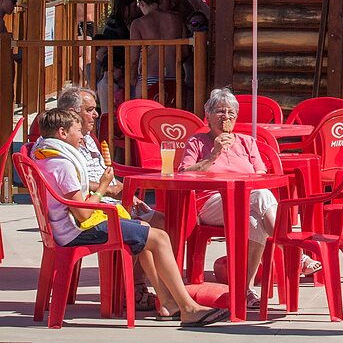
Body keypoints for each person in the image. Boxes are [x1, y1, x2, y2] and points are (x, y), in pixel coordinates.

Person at [30, 108, 229, 326]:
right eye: (78, 131)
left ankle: (168, 303)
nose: (82, 136)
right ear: (62, 133)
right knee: (160, 237)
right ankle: (189, 308)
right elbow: (83, 212)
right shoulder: (62, 165)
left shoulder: (46, 155)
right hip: (77, 230)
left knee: (143, 226)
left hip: (64, 227)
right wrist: (103, 187)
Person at [179, 88, 321, 310]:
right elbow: (184, 174)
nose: (226, 117)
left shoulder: (247, 142)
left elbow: (261, 176)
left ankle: (245, 291)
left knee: (255, 220)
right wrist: (213, 154)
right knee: (261, 197)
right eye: (220, 112)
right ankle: (297, 255)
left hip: (246, 201)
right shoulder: (197, 142)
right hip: (211, 203)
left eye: (231, 113)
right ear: (208, 115)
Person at [53, 84, 163, 310]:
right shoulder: (64, 146)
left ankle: (142, 288)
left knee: (161, 219)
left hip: (109, 203)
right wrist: (106, 188)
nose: (96, 114)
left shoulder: (89, 138)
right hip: (94, 213)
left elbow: (103, 173)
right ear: (73, 114)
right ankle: (138, 290)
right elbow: (73, 183)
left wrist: (125, 192)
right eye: (90, 109)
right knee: (150, 231)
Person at [128, 0, 186, 103]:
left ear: (142, 3)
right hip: (174, 76)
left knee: (146, 116)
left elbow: (133, 58)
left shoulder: (138, 24)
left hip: (149, 77)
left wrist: (132, 78)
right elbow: (185, 51)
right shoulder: (177, 19)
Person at [94, 0, 138, 112]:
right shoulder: (118, 25)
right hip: (116, 65)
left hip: (116, 64)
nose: (136, 10)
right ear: (125, 8)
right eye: (134, 7)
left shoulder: (116, 22)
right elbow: (123, 45)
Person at [52, 0, 96, 82]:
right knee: (86, 54)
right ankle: (86, 82)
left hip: (82, 25)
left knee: (81, 55)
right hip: (90, 24)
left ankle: (83, 82)